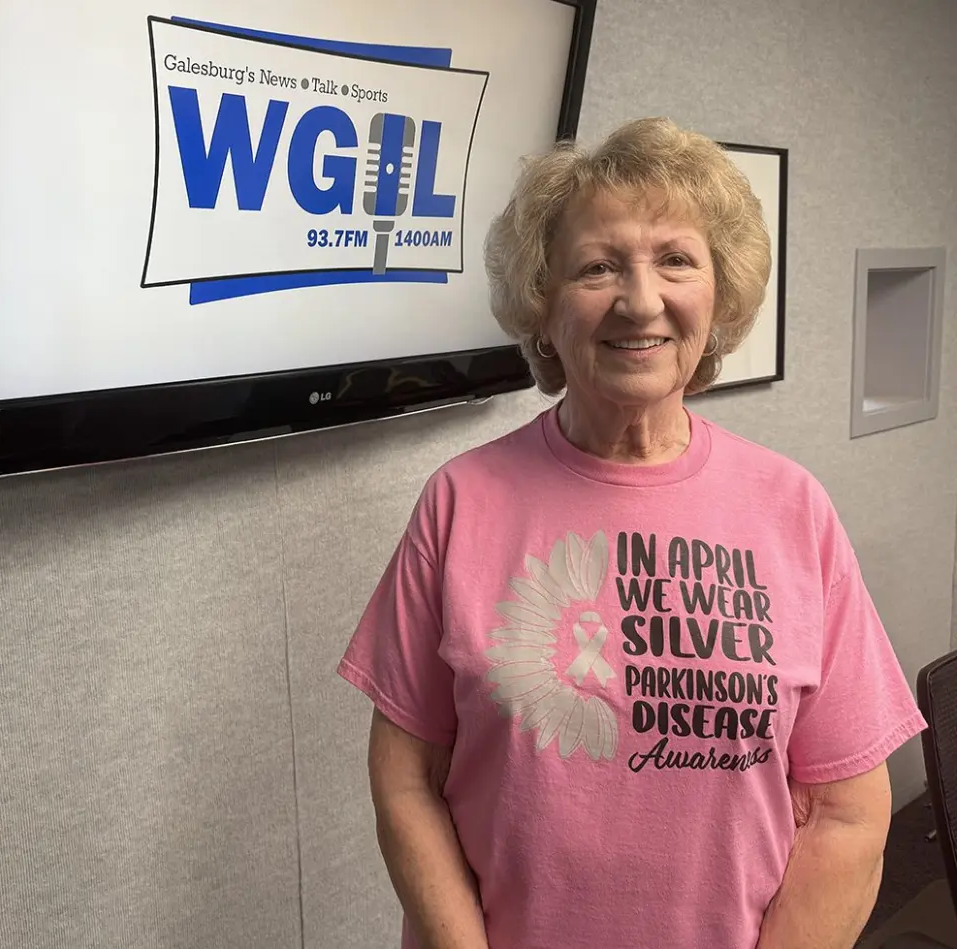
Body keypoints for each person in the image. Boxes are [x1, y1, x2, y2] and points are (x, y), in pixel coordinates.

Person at [337, 116, 927, 949]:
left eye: (676, 259)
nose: (641, 300)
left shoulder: (794, 510)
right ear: (544, 305)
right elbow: (406, 781)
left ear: (718, 295)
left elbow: (846, 810)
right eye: (599, 266)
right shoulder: (459, 502)